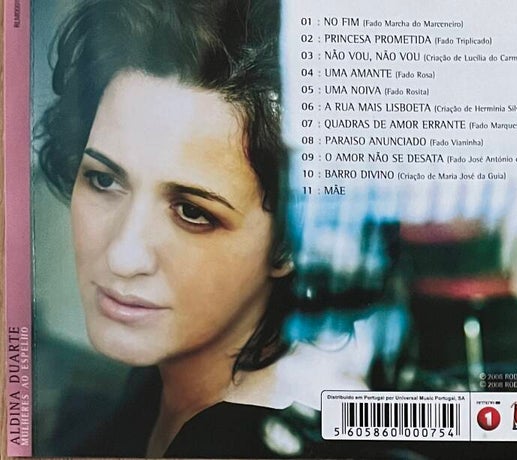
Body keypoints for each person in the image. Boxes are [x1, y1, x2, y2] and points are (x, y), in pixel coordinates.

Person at [37, 0, 402, 458]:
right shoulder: (158, 378)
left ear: (290, 240)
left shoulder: (260, 441)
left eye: (192, 212)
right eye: (105, 180)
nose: (123, 256)